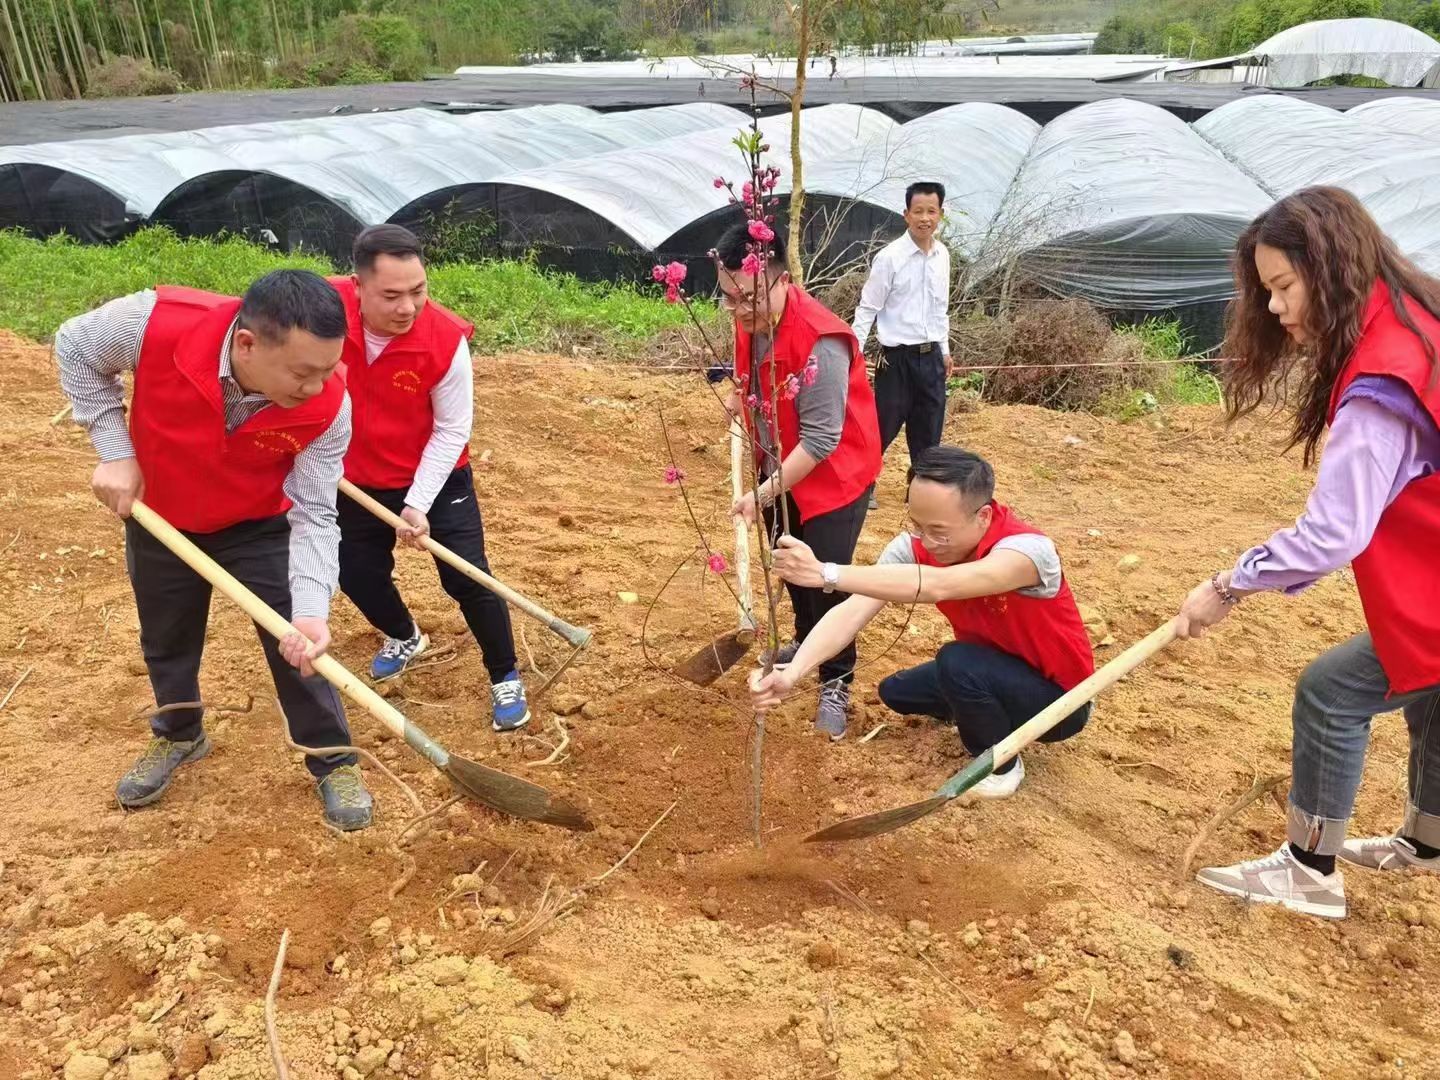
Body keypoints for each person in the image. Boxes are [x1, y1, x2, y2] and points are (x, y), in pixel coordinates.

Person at [1174, 187, 1440, 920]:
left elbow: (1333, 533)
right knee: (1430, 683)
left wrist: (1229, 585)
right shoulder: (1422, 316)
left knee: (1331, 692)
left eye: (1284, 288)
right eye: (1269, 294)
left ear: (1331, 266)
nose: (1277, 311)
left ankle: (1308, 867)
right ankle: (1426, 840)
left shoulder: (1383, 383)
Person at [54, 270, 373, 830]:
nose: (318, 387)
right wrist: (114, 451)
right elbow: (74, 346)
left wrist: (312, 611)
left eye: (329, 369)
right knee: (166, 636)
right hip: (164, 518)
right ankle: (179, 734)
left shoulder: (330, 407)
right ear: (247, 345)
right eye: (303, 372)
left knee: (296, 645)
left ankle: (333, 760)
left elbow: (317, 512)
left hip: (258, 524)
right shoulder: (153, 324)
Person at [751, 446, 1095, 791]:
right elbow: (851, 612)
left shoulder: (1028, 552)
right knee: (897, 692)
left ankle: (1000, 765)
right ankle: (985, 709)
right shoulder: (912, 547)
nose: (928, 542)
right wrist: (794, 672)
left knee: (957, 662)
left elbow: (940, 585)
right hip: (990, 669)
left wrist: (826, 572)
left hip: (1059, 702)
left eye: (940, 531)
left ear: (984, 517)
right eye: (918, 526)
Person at [331, 224, 529, 732]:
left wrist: (417, 503)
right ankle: (404, 634)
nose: (408, 308)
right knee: (355, 572)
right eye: (391, 295)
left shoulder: (443, 340)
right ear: (358, 286)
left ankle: (504, 673)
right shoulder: (321, 311)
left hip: (436, 478)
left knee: (467, 577)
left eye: (418, 291)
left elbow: (452, 428)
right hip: (352, 477)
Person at [718, 220, 883, 739]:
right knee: (790, 566)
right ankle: (804, 638)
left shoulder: (821, 341)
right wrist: (738, 394)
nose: (739, 310)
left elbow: (821, 441)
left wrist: (760, 494)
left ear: (783, 279)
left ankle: (836, 676)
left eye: (749, 298)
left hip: (833, 478)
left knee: (825, 579)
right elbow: (753, 373)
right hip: (780, 466)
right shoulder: (750, 320)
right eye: (728, 298)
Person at [852, 181, 952, 511]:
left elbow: (941, 308)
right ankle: (863, 485)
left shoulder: (942, 256)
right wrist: (854, 349)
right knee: (882, 425)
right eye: (918, 211)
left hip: (931, 356)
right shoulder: (890, 258)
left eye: (932, 211)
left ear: (940, 214)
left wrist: (945, 349)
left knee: (929, 429)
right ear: (906, 214)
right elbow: (868, 307)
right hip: (896, 360)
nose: (925, 218)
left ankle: (919, 491)